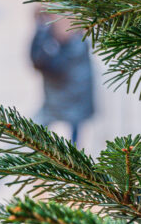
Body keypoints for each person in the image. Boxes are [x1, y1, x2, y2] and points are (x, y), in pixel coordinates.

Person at [30, 11, 94, 141]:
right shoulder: (57, 32)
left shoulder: (74, 40)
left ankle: (73, 152)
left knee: (73, 121)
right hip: (61, 84)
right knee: (53, 117)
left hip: (75, 84)